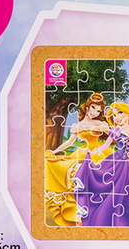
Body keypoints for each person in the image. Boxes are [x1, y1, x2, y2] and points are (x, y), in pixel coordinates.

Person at [74, 102, 129, 227]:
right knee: (108, 189)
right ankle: (99, 217)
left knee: (126, 195)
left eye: (120, 113)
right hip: (114, 163)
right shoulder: (116, 131)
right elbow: (105, 146)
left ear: (128, 114)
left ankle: (124, 220)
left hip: (127, 167)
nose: (117, 117)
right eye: (114, 115)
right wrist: (94, 151)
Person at [44, 93, 112, 226]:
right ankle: (80, 215)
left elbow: (113, 136)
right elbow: (69, 142)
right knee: (73, 177)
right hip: (82, 154)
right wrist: (54, 151)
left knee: (94, 181)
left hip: (98, 154)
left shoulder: (100, 124)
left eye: (98, 111)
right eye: (93, 107)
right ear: (87, 106)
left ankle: (97, 214)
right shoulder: (78, 125)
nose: (94, 112)